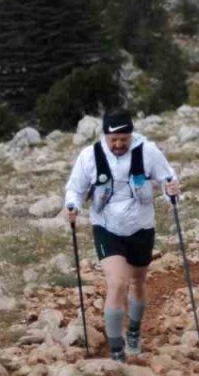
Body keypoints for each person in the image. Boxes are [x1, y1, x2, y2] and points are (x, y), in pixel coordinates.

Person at [63, 109, 179, 362]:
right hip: (106, 227)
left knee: (137, 283)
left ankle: (134, 331)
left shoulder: (147, 151)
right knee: (117, 284)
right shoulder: (90, 156)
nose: (118, 145)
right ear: (104, 136)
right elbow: (75, 188)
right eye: (112, 140)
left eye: (123, 140)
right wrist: (72, 206)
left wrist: (171, 191)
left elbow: (167, 177)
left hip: (141, 227)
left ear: (131, 135)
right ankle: (116, 350)